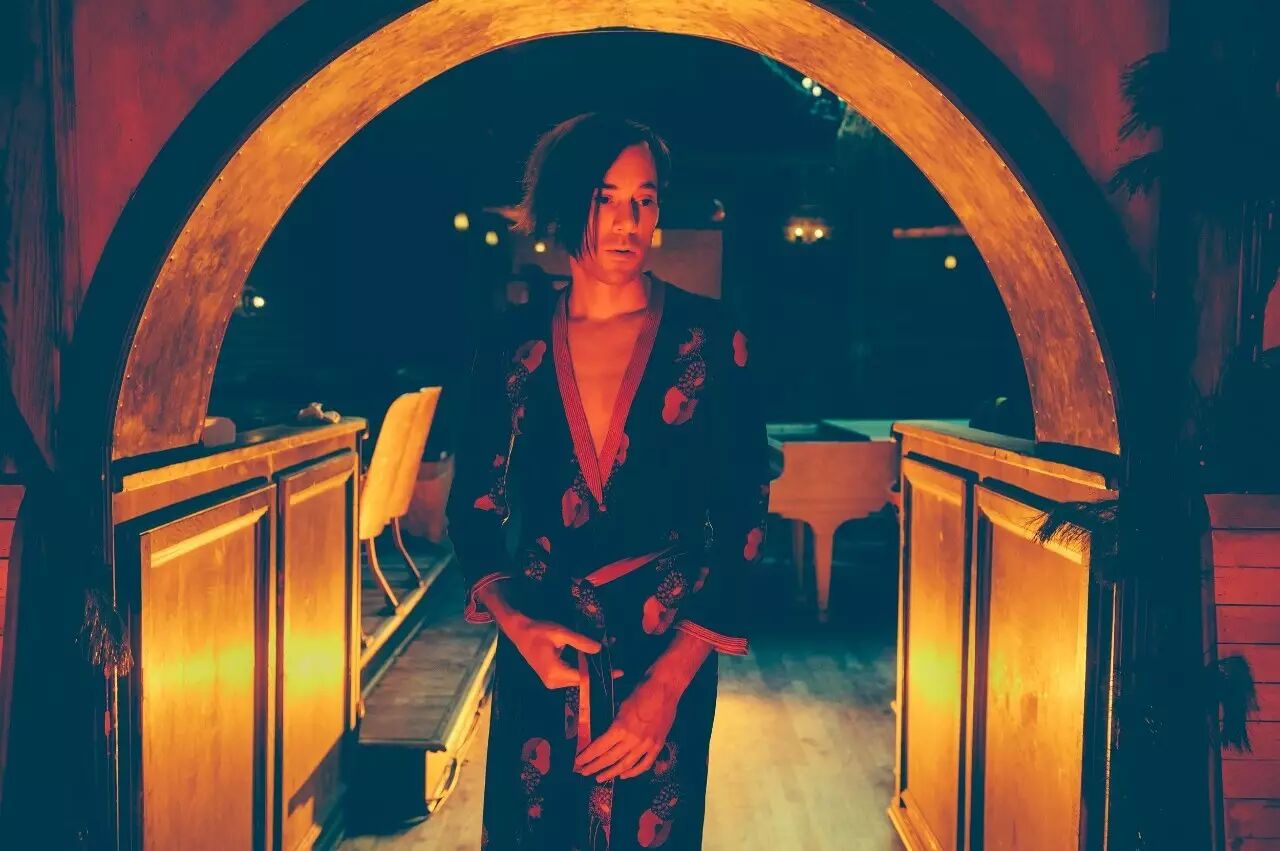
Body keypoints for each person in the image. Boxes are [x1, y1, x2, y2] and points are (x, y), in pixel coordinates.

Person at [447, 113, 770, 850]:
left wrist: (667, 687)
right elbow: (475, 509)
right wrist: (515, 621)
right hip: (541, 653)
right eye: (606, 198)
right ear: (565, 205)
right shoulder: (512, 345)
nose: (630, 221)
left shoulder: (710, 338)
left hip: (665, 650)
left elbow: (744, 518)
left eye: (645, 199)